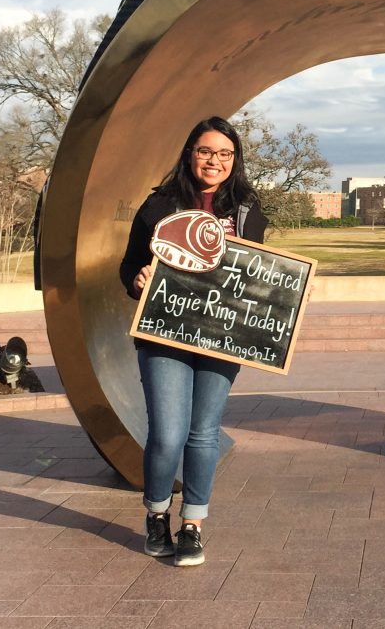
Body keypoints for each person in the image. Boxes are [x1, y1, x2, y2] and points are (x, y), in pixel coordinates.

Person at [120, 115, 267, 567]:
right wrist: (139, 278)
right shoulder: (157, 207)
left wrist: (285, 295)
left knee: (204, 435)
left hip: (221, 338)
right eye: (206, 151)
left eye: (225, 154)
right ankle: (157, 514)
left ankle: (193, 526)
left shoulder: (247, 212)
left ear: (235, 160)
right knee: (167, 434)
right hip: (164, 334)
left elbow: (257, 278)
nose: (215, 161)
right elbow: (128, 268)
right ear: (189, 153)